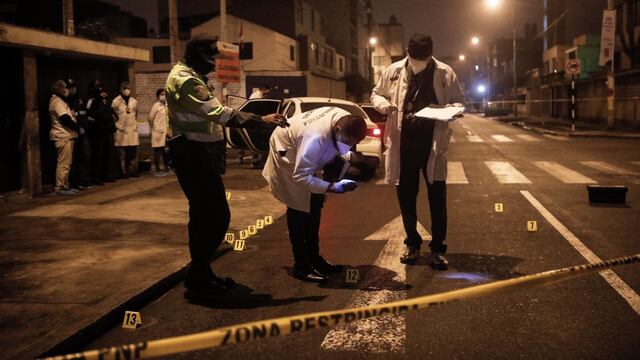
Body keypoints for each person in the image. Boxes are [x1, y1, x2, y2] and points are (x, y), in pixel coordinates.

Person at [166, 35, 288, 298]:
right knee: (216, 216)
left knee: (202, 217)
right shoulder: (185, 79)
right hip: (193, 155)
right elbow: (218, 113)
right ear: (196, 56)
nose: (212, 66)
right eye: (209, 60)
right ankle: (199, 274)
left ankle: (200, 273)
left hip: (199, 155)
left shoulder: (190, 75)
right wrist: (260, 119)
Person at [370, 33, 465, 270]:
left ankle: (438, 250)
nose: (418, 63)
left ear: (430, 54)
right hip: (404, 145)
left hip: (432, 145)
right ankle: (412, 243)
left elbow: (459, 101)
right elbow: (375, 93)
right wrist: (384, 105)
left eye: (422, 59)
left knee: (437, 200)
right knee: (406, 198)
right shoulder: (393, 71)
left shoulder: (445, 72)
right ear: (407, 52)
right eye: (415, 59)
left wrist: (449, 110)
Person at [263, 107, 366, 282]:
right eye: (346, 141)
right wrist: (333, 186)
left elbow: (334, 147)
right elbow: (301, 177)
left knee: (315, 203)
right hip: (286, 149)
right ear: (338, 130)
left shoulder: (343, 119)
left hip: (304, 143)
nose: (347, 146)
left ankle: (315, 258)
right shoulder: (314, 138)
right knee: (299, 206)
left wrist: (337, 164)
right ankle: (301, 266)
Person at [48, 80, 79, 196]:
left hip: (67, 135)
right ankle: (60, 187)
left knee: (67, 163)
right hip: (62, 136)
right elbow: (65, 118)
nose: (67, 90)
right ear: (59, 88)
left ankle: (65, 186)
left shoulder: (61, 101)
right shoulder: (56, 101)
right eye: (65, 87)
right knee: (63, 163)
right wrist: (77, 127)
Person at [86, 80, 117, 183]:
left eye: (100, 87)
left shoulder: (104, 99)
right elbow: (91, 111)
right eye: (97, 87)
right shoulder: (91, 99)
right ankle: (96, 176)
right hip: (97, 131)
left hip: (107, 130)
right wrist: (98, 99)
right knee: (98, 154)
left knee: (108, 154)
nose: (100, 89)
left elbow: (109, 111)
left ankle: (107, 174)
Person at [66, 78, 93, 189]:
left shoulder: (80, 99)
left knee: (86, 156)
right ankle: (74, 182)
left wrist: (85, 126)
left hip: (83, 132)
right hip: (73, 133)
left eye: (74, 87)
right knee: (74, 159)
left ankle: (84, 180)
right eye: (70, 87)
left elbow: (84, 114)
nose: (73, 89)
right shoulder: (65, 101)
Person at [112, 81, 139, 178]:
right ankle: (122, 172)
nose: (127, 90)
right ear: (120, 89)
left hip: (132, 130)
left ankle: (132, 170)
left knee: (133, 153)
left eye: (128, 88)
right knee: (121, 154)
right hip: (121, 131)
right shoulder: (116, 101)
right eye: (125, 88)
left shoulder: (134, 101)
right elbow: (113, 116)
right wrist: (118, 126)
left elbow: (136, 114)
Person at [148, 88, 171, 176]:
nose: (163, 96)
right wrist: (154, 127)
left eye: (164, 94)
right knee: (158, 151)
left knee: (165, 151)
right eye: (162, 94)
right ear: (158, 96)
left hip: (166, 132)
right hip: (157, 131)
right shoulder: (156, 106)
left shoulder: (166, 106)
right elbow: (150, 118)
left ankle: (166, 168)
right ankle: (157, 169)